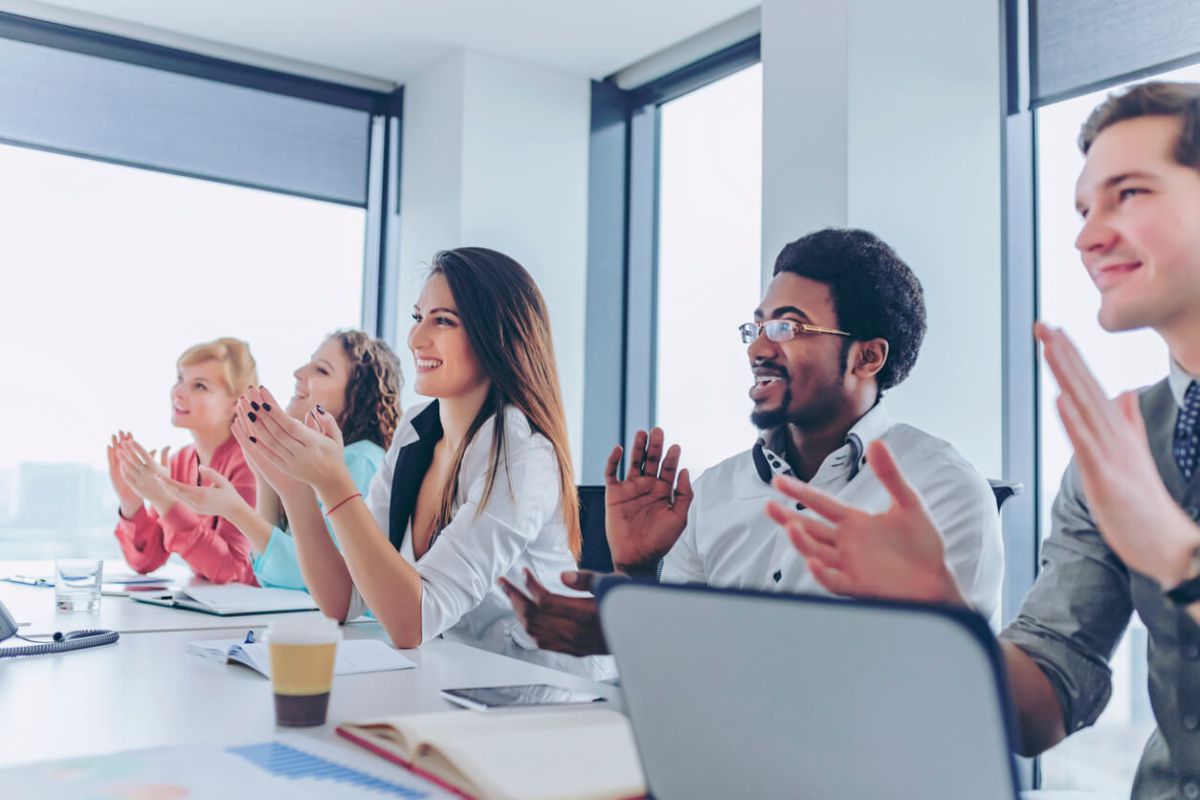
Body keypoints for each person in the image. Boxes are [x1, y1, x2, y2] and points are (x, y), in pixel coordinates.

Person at [771, 81, 1200, 798]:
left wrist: (1175, 556)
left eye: (1129, 194)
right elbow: (1043, 705)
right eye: (1084, 208)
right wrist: (937, 611)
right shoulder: (1120, 443)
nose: (1089, 235)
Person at [501, 228, 1004, 655]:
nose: (759, 348)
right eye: (758, 326)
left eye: (788, 326)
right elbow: (679, 670)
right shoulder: (716, 492)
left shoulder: (943, 491)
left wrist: (637, 631)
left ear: (868, 357)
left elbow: (936, 688)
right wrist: (637, 573)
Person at [228, 247, 609, 677]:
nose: (415, 339)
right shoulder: (416, 432)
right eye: (417, 318)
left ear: (496, 336)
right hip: (456, 681)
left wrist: (335, 486)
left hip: (543, 697)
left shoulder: (523, 457)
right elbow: (343, 600)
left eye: (443, 321)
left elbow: (414, 621)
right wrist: (296, 489)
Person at [162, 330, 402, 590]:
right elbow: (269, 577)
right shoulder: (321, 465)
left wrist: (235, 510)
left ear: (359, 392)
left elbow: (306, 578)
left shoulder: (360, 462)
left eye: (321, 370)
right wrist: (264, 476)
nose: (299, 372)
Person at [107, 337, 259, 584]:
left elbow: (232, 569)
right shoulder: (182, 461)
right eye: (180, 379)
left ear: (237, 401)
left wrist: (163, 499)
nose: (178, 392)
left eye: (199, 386)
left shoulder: (250, 464)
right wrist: (132, 502)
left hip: (257, 615)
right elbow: (147, 561)